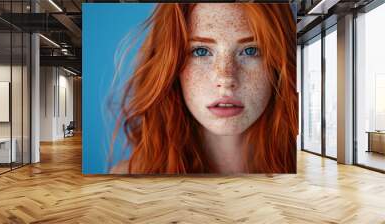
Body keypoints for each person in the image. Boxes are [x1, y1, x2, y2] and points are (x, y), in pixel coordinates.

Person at [110, 3, 297, 174]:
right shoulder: (130, 177)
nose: (225, 78)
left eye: (251, 50)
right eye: (201, 51)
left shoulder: (306, 167)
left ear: (279, 66)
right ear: (172, 66)